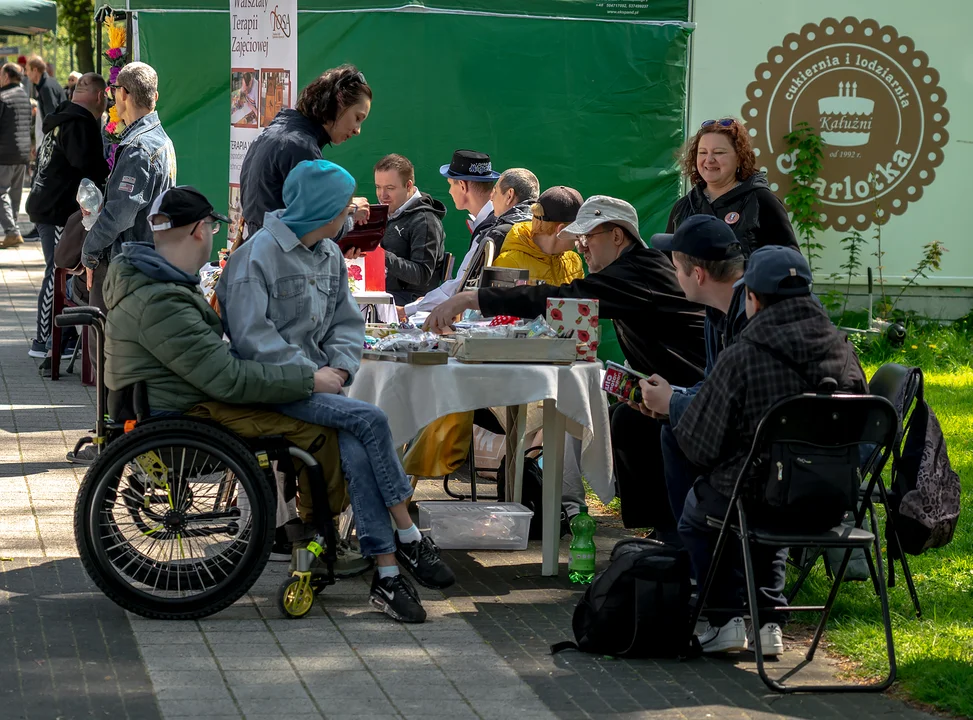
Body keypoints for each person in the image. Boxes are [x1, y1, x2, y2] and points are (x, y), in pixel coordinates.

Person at [218, 159, 456, 624]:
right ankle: (406, 536)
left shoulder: (327, 252)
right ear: (322, 207)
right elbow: (252, 339)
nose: (352, 214)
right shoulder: (256, 256)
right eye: (344, 206)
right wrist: (313, 375)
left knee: (357, 441)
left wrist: (340, 370)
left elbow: (347, 326)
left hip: (319, 387)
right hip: (270, 388)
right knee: (370, 420)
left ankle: (387, 573)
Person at [100, 184, 363, 575]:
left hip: (172, 402)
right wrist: (308, 381)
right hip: (186, 414)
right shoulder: (161, 300)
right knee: (320, 429)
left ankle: (306, 527)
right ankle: (317, 536)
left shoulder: (152, 284)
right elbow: (229, 381)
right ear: (199, 230)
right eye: (212, 228)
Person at [424, 196, 707, 529]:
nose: (582, 247)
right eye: (579, 239)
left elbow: (563, 297)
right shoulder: (632, 268)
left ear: (618, 236)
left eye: (589, 238)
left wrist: (474, 297)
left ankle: (674, 533)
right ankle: (666, 531)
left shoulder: (636, 271)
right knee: (626, 422)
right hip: (684, 384)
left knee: (629, 425)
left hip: (697, 389)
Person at [674, 245, 867, 656]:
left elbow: (700, 445)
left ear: (752, 298)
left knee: (703, 510)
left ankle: (726, 618)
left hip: (762, 496)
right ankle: (768, 624)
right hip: (833, 500)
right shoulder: (844, 351)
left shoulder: (744, 355)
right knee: (768, 499)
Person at [633, 215, 748, 528]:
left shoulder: (754, 316)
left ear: (697, 274)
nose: (673, 275)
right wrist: (674, 397)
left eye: (676, 268)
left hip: (765, 451)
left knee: (674, 430)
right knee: (645, 420)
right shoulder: (718, 310)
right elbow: (714, 385)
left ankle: (691, 539)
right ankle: (676, 533)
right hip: (758, 434)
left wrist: (673, 403)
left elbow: (735, 406)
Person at [26, 73, 110, 362]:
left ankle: (55, 335)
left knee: (57, 269)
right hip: (58, 208)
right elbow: (88, 166)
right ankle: (46, 338)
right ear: (100, 97)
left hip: (45, 202)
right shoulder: (80, 123)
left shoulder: (61, 116)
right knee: (58, 270)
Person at [81, 62, 177, 314]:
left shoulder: (139, 147)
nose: (112, 97)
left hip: (130, 266)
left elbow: (120, 215)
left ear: (123, 93)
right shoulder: (159, 138)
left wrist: (89, 251)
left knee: (105, 345)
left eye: (113, 89)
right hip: (147, 261)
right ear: (154, 96)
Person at [239, 64, 371, 240]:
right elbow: (312, 232)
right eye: (357, 118)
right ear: (338, 103)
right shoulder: (301, 148)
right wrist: (349, 217)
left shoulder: (277, 132)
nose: (357, 130)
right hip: (280, 261)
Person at [667, 117, 798, 256]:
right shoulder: (683, 207)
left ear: (739, 158)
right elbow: (666, 265)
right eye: (703, 152)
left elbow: (790, 263)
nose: (709, 160)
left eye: (719, 152)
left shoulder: (761, 201)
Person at [402, 149, 500, 317]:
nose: (449, 191)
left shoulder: (489, 229)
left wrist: (406, 310)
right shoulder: (493, 222)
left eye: (450, 184)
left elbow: (457, 288)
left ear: (462, 185)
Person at [373, 153, 446, 305]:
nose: (382, 195)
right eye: (378, 187)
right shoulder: (388, 211)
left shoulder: (425, 220)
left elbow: (422, 275)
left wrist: (379, 254)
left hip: (408, 305)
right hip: (381, 296)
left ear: (409, 186)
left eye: (390, 188)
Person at [492, 185, 585, 285]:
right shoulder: (510, 263)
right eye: (577, 229)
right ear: (561, 230)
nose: (581, 235)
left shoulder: (574, 261)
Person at [0, 63, 31, 248]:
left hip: (4, 153)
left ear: (6, 77)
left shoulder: (2, 97)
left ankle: (12, 232)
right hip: (22, 153)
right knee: (15, 194)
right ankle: (14, 230)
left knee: (0, 192)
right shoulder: (24, 97)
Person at [484, 167, 538, 254]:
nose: (491, 197)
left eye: (496, 191)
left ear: (509, 195)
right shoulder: (546, 232)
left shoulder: (499, 235)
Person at [25, 56, 66, 146]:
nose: (26, 73)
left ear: (35, 70)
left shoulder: (46, 88)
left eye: (27, 70)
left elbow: (52, 119)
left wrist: (47, 145)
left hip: (54, 143)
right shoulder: (48, 84)